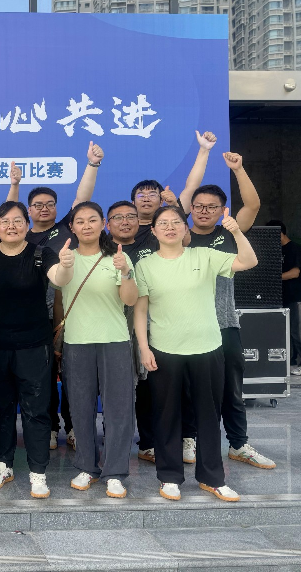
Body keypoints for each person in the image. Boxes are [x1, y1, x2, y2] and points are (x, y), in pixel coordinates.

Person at [135, 205, 257, 502]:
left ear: (185, 228)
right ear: (153, 231)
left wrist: (236, 232)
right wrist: (143, 347)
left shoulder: (204, 255)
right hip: (164, 350)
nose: (170, 227)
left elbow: (249, 261)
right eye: (163, 223)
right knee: (166, 415)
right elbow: (140, 310)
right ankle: (169, 477)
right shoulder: (145, 265)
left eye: (176, 222)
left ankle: (212, 478)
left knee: (208, 415)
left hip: (207, 348)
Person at [128, 129, 218, 465]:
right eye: (141, 195)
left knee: (188, 389)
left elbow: (190, 188)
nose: (147, 199)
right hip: (138, 318)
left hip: (178, 323)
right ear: (133, 202)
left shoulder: (173, 227)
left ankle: (188, 438)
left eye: (153, 194)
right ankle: (149, 442)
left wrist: (203, 151)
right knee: (147, 387)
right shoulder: (125, 232)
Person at [8, 142, 104, 451]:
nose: (44, 208)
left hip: (70, 313)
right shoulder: (20, 236)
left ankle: (74, 427)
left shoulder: (66, 229)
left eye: (50, 204)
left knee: (75, 375)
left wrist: (92, 164)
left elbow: (83, 198)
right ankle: (49, 427)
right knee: (44, 377)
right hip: (34, 318)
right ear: (28, 210)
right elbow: (8, 214)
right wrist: (15, 185)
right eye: (37, 205)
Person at [0, 201, 74, 500]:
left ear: (27, 224)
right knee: (1, 409)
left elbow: (58, 278)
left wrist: (66, 266)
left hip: (34, 345)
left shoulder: (40, 253)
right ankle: (3, 464)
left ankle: (38, 472)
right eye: (5, 221)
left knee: (36, 411)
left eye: (18, 220)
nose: (12, 226)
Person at [187, 154, 274, 470]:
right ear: (190, 209)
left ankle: (238, 444)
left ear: (222, 210)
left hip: (224, 323)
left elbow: (252, 205)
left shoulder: (227, 234)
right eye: (199, 206)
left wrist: (238, 169)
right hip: (186, 327)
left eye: (211, 207)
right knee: (188, 388)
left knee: (231, 389)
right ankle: (188, 438)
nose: (204, 211)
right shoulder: (179, 237)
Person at [57, 202, 138, 498]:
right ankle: (86, 466)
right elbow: (58, 289)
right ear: (72, 227)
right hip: (77, 342)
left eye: (92, 220)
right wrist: (64, 264)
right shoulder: (66, 257)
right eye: (80, 221)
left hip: (114, 340)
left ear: (103, 223)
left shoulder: (117, 256)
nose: (86, 226)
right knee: (81, 408)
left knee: (119, 409)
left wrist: (125, 272)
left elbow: (130, 300)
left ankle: (115, 471)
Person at [106, 200, 157, 464]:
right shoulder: (100, 250)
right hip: (111, 326)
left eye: (130, 217)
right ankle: (113, 442)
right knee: (113, 388)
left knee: (147, 386)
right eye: (118, 217)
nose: (125, 222)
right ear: (108, 224)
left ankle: (148, 442)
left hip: (149, 326)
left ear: (140, 221)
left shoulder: (153, 248)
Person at [267, 220, 301, 375]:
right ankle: (291, 361)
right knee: (284, 332)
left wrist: (274, 278)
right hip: (280, 298)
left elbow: (295, 272)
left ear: (279, 233)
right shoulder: (275, 251)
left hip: (294, 297)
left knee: (296, 332)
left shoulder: (295, 249)